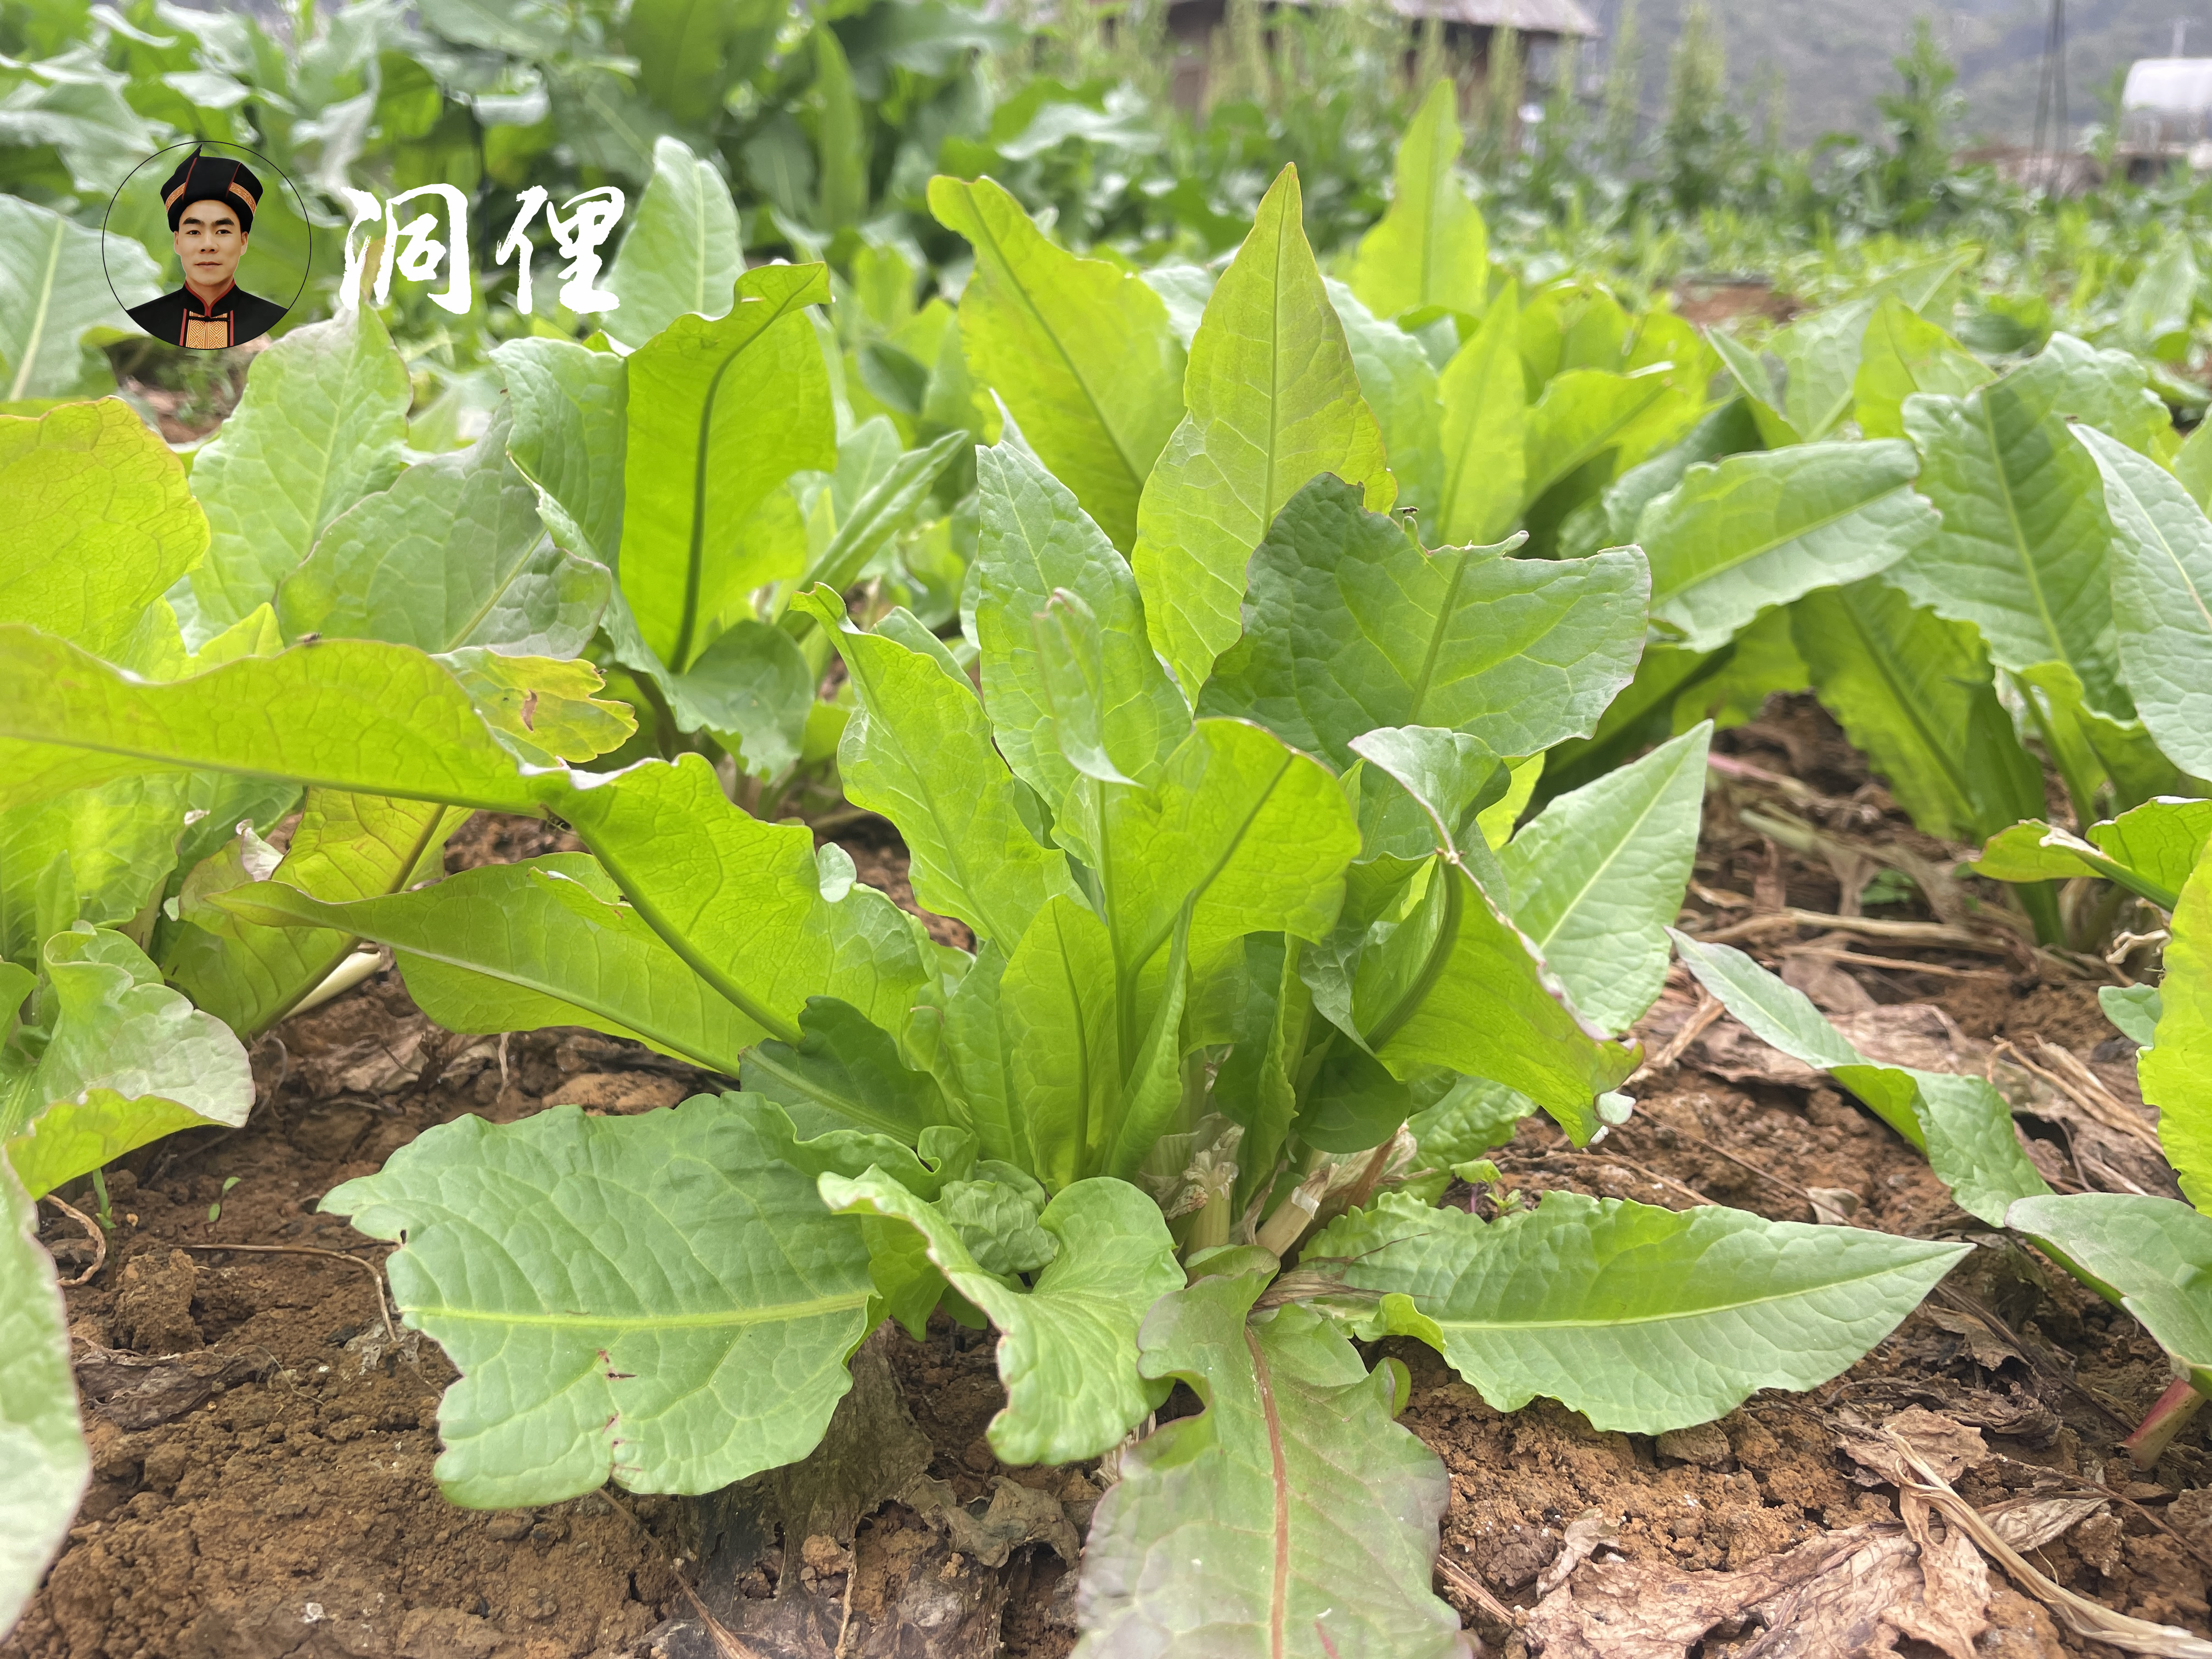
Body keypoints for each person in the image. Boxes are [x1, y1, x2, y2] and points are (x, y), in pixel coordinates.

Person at [127, 150, 287, 349]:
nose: (208, 245)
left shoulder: (266, 325)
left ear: (243, 242)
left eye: (222, 231)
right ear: (177, 242)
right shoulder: (141, 320)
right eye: (194, 232)